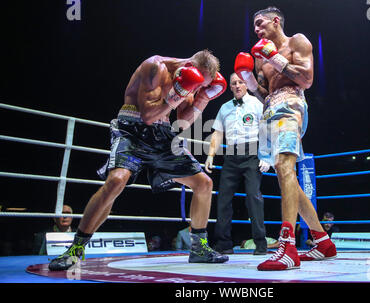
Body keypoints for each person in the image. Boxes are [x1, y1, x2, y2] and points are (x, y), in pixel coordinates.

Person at [48, 50, 229, 271]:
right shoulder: (155, 67)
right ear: (190, 65)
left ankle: (199, 248)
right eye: (200, 84)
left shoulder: (193, 82)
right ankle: (75, 249)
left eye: (203, 86)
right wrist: (179, 92)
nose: (199, 87)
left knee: (204, 183)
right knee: (116, 181)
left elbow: (183, 121)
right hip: (132, 129)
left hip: (161, 134)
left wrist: (203, 98)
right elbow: (147, 115)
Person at [234, 6, 336, 270]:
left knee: (283, 167)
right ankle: (323, 242)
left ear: (276, 21)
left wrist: (277, 58)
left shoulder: (297, 41)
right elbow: (263, 93)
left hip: (291, 106)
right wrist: (249, 80)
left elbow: (307, 79)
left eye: (260, 23)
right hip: (270, 112)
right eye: (254, 26)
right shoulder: (259, 59)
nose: (256, 29)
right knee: (284, 175)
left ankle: (288, 246)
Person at [205, 73, 271, 255]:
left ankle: (261, 243)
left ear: (246, 84)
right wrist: (210, 155)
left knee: (253, 197)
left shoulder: (257, 104)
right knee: (223, 199)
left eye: (241, 82)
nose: (237, 85)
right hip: (231, 156)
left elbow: (267, 129)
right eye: (234, 83)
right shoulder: (225, 107)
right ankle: (223, 244)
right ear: (230, 86)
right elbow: (218, 133)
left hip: (252, 153)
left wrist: (267, 156)